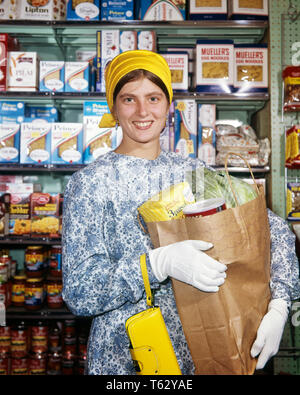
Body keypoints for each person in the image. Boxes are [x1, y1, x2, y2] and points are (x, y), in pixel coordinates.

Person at [62, 50, 300, 375]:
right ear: (113, 108)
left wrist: (279, 304)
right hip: (124, 359)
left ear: (169, 106)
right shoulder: (90, 183)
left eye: (154, 98)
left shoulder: (194, 174)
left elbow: (271, 231)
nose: (143, 111)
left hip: (203, 352)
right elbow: (79, 292)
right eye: (129, 99)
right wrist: (157, 264)